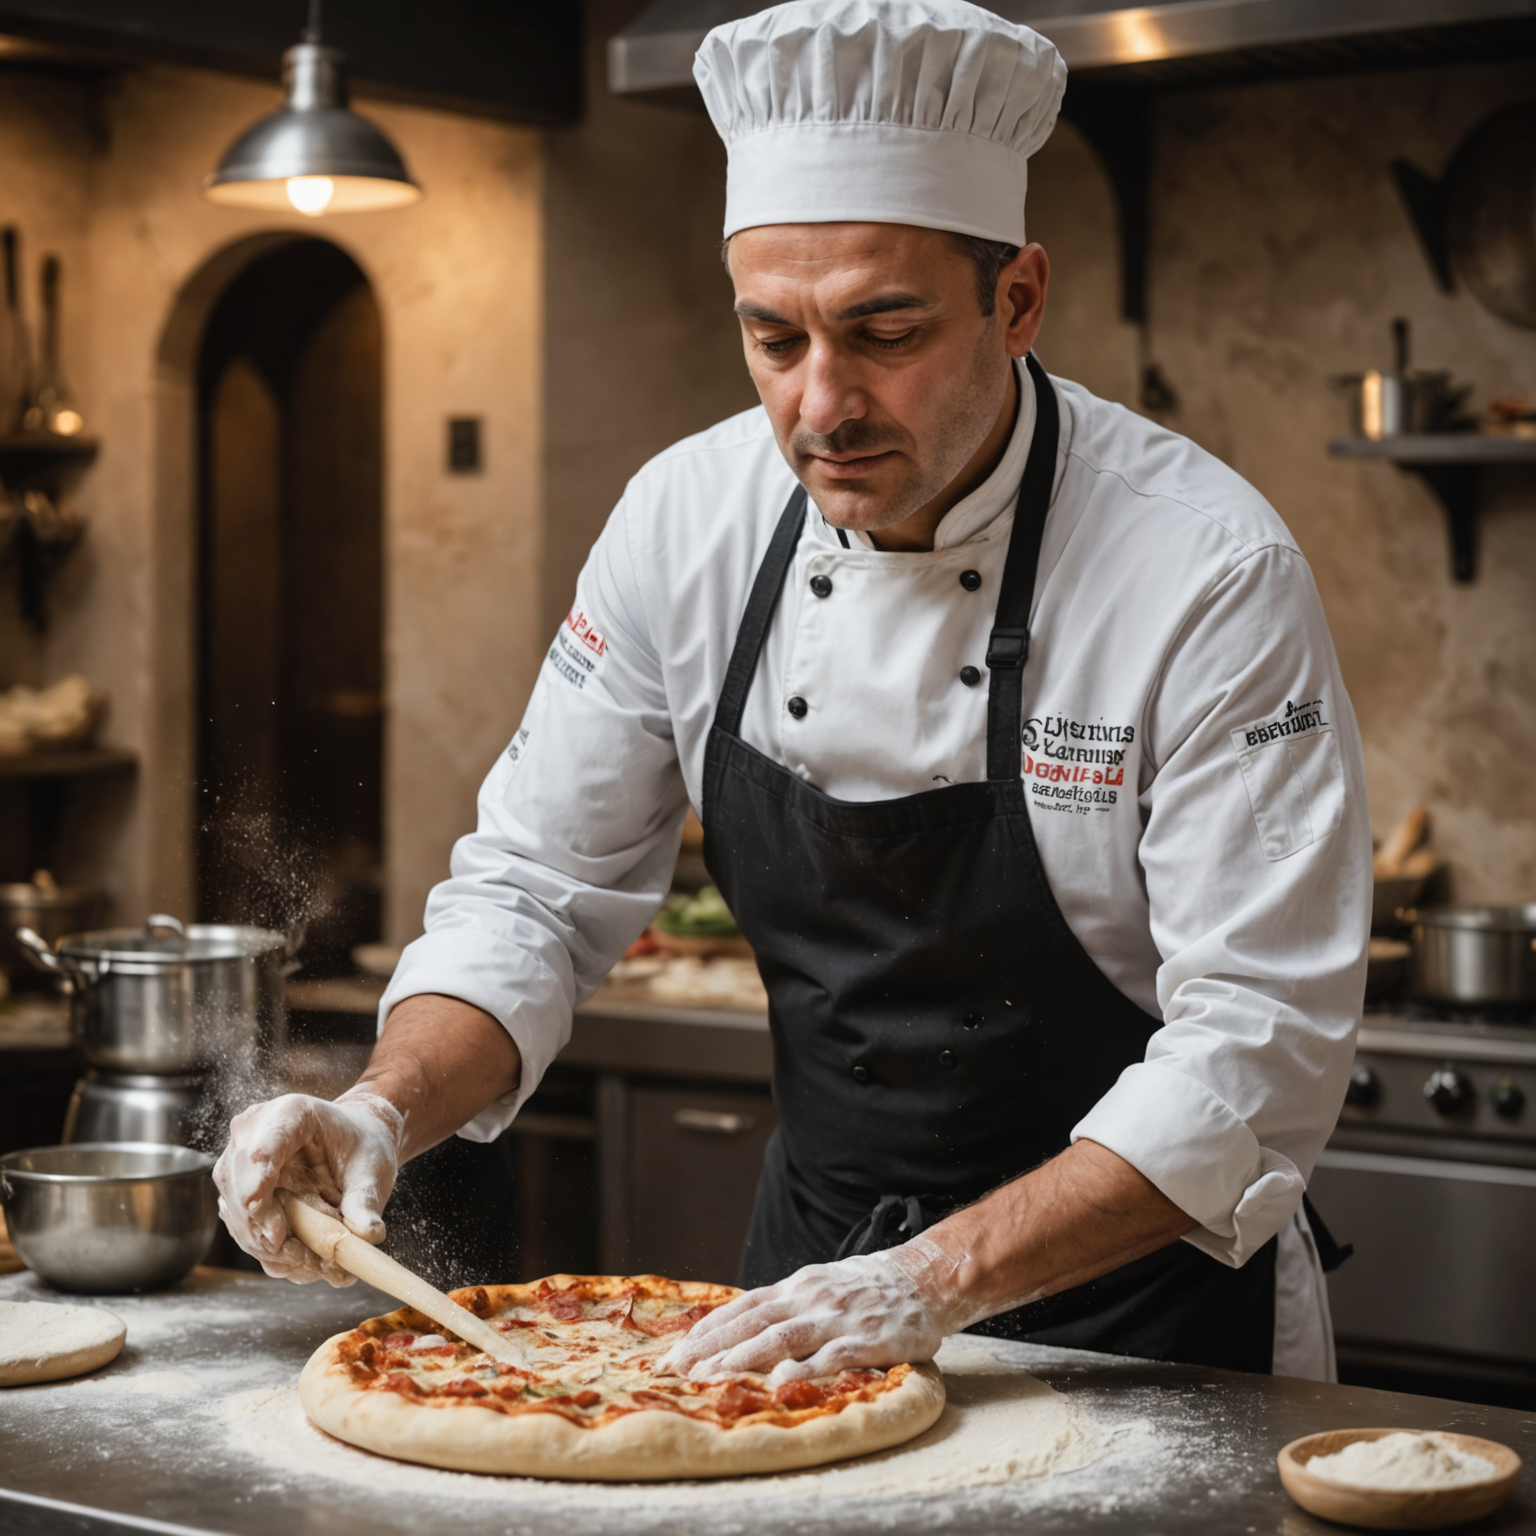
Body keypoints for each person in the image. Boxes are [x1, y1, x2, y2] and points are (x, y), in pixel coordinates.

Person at [214, 0, 1370, 1384]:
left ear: (1017, 301)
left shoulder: (1201, 567)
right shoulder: (683, 520)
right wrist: (380, 1111)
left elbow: (1260, 1050)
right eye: (774, 340)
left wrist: (935, 1279)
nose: (821, 407)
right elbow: (534, 890)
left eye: (885, 333)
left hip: (1144, 1324)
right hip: (808, 1315)